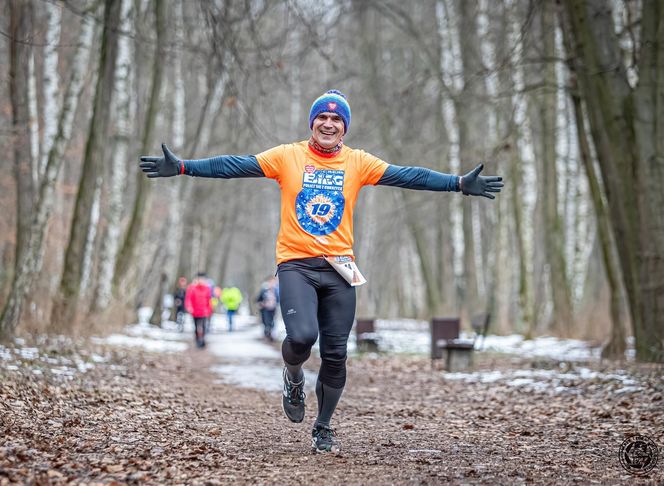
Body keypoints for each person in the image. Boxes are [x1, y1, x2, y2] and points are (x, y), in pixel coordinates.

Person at [140, 89, 503, 453]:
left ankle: (324, 425)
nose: (328, 124)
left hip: (339, 270)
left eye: (336, 120)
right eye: (322, 118)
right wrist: (185, 166)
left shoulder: (358, 162)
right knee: (300, 337)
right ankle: (293, 376)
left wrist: (457, 183)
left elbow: (408, 176)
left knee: (335, 353)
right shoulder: (288, 156)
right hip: (296, 265)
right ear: (312, 123)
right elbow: (234, 165)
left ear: (344, 127)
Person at [184, 272, 213, 348]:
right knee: (196, 326)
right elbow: (188, 299)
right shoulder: (192, 288)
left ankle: (202, 340)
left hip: (204, 311)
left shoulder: (207, 289)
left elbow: (209, 300)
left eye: (203, 279)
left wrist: (209, 309)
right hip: (195, 311)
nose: (201, 281)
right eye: (200, 279)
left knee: (203, 326)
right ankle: (197, 340)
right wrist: (189, 307)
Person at [257, 276, 279, 341]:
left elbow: (278, 299)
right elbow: (259, 298)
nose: (273, 283)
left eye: (274, 282)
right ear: (269, 282)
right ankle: (267, 335)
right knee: (266, 321)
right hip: (265, 308)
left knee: (272, 321)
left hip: (273, 308)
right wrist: (261, 303)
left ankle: (271, 335)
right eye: (271, 282)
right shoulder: (264, 289)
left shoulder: (276, 290)